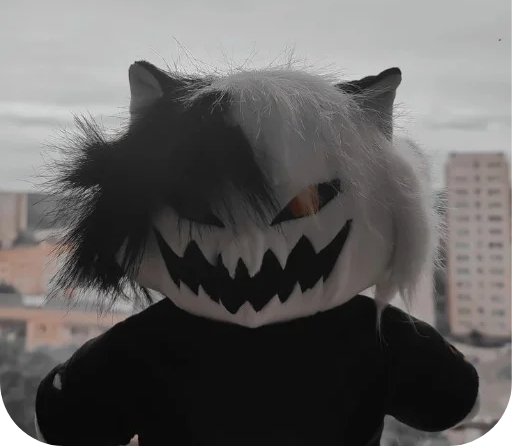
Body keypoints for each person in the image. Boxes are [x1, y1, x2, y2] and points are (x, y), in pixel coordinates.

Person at [35, 60, 479, 446]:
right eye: (200, 209)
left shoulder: (148, 343)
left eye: (305, 204)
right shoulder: (377, 336)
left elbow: (68, 422)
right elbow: (449, 402)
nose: (249, 244)